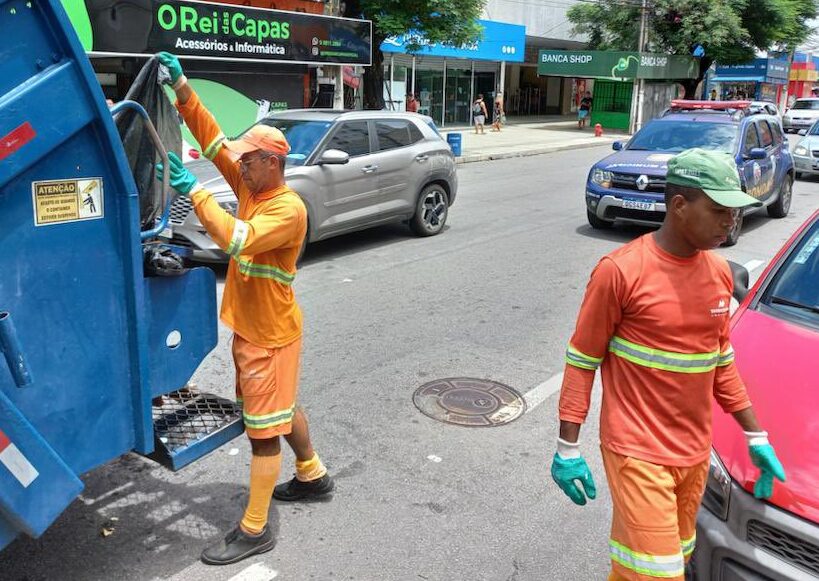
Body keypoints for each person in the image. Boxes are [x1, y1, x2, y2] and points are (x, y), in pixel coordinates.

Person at [550, 148, 786, 581]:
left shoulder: (718, 274)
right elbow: (582, 360)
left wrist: (756, 434)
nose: (729, 223)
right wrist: (568, 447)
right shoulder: (620, 272)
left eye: (733, 213)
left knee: (665, 560)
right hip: (637, 451)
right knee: (657, 575)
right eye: (718, 211)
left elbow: (721, 366)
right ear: (679, 206)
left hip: (694, 455)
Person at [156, 52, 334, 566]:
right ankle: (313, 474)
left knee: (262, 433)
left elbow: (237, 240)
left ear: (272, 163)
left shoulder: (285, 208)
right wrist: (183, 89)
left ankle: (255, 529)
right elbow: (213, 143)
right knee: (280, 409)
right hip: (257, 330)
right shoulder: (252, 185)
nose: (239, 164)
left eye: (248, 159)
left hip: (270, 336)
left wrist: (194, 193)